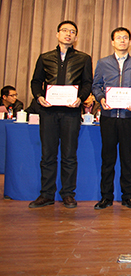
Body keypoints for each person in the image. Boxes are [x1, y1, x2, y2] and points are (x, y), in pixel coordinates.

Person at [28, 20, 93, 209]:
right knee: (47, 155)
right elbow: (36, 81)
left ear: (76, 37)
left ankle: (68, 194)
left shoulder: (83, 58)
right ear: (57, 34)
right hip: (48, 112)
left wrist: (80, 98)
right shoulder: (45, 57)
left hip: (71, 113)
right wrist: (39, 97)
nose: (68, 34)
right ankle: (46, 194)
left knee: (69, 155)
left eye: (72, 31)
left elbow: (87, 83)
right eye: (65, 30)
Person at [92, 27, 131, 210]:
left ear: (130, 41)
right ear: (112, 42)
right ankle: (106, 197)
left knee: (126, 159)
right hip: (108, 117)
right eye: (118, 38)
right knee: (107, 159)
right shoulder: (103, 63)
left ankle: (128, 197)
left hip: (128, 117)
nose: (122, 41)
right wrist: (101, 98)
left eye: (125, 38)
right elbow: (96, 86)